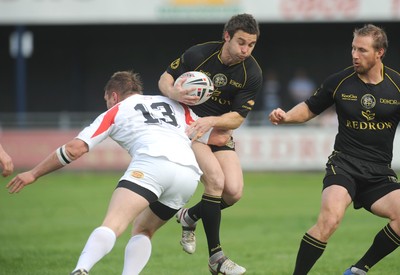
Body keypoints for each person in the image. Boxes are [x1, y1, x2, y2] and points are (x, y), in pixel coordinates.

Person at [6, 70, 231, 275]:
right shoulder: (174, 105)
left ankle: (81, 269)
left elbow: (75, 149)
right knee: (143, 230)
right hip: (187, 175)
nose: (107, 104)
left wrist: (34, 173)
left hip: (152, 165)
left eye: (106, 100)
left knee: (113, 224)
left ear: (113, 96)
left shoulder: (117, 110)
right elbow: (213, 137)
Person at [269, 24, 400, 275]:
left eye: (362, 50)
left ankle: (359, 269)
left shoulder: (396, 86)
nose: (354, 55)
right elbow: (309, 108)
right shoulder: (339, 82)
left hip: (379, 173)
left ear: (380, 52)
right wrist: (285, 117)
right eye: (353, 48)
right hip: (344, 165)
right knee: (329, 220)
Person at [158, 13, 262, 274]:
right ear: (226, 36)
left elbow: (238, 117)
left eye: (251, 44)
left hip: (218, 132)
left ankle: (189, 216)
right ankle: (217, 257)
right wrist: (173, 92)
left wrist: (213, 121)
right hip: (191, 128)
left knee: (234, 192)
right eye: (241, 42)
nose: (245, 50)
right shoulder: (198, 54)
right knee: (215, 181)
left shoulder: (252, 73)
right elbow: (165, 78)